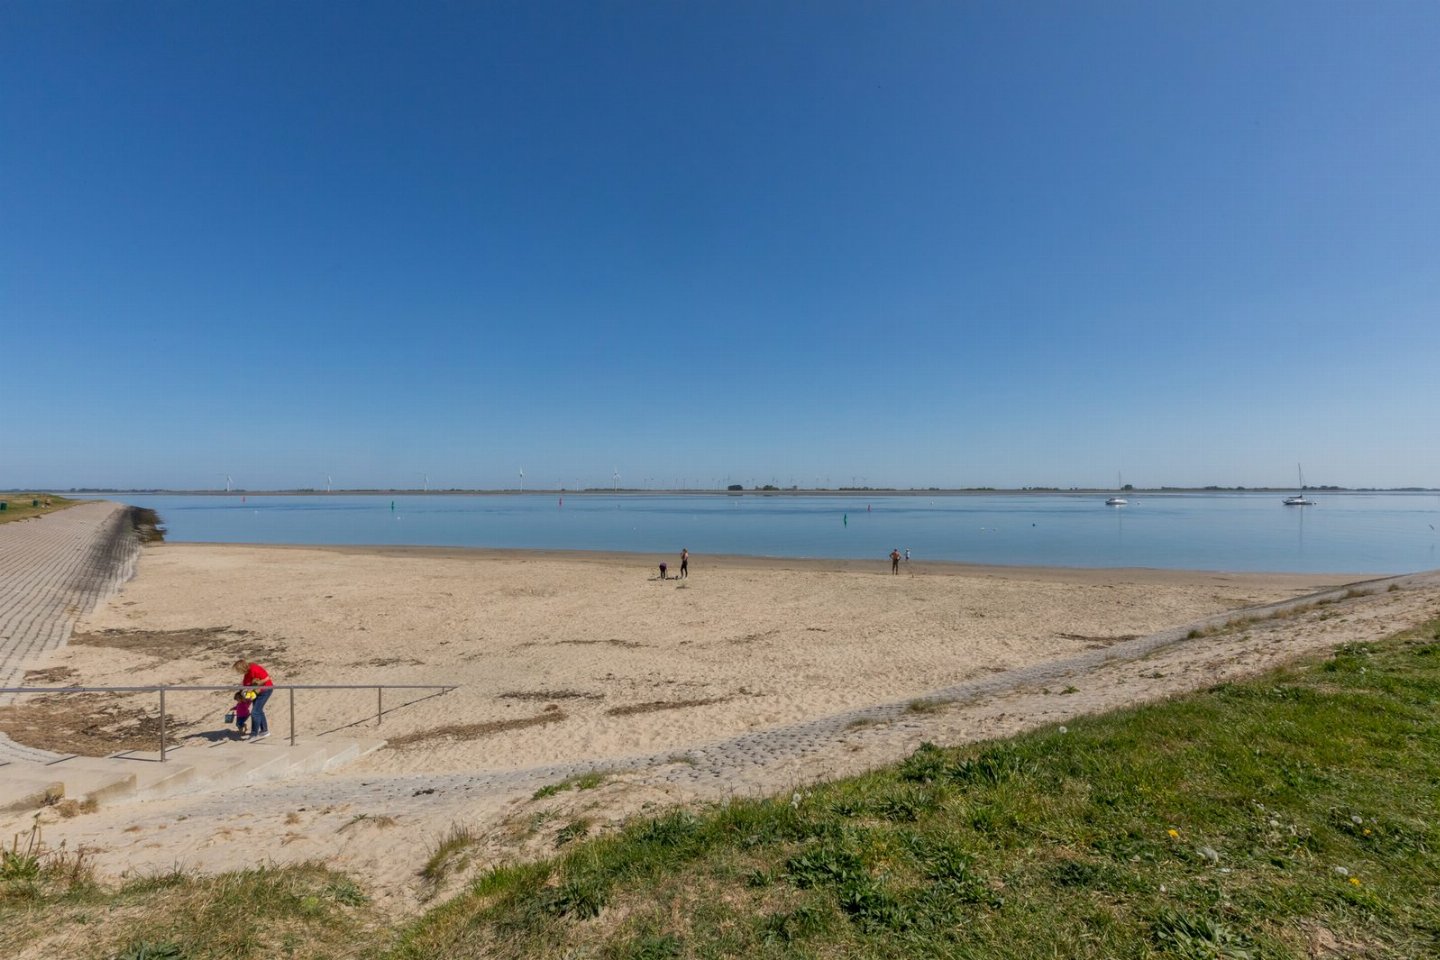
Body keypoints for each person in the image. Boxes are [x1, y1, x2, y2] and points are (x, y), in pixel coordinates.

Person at [233, 658, 274, 741]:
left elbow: (267, 678)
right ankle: (264, 731)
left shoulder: (254, 669)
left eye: (238, 670)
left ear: (242, 667)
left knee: (255, 712)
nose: (239, 672)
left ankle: (254, 734)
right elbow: (245, 684)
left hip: (266, 690)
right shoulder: (247, 674)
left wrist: (255, 685)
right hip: (256, 692)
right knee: (258, 711)